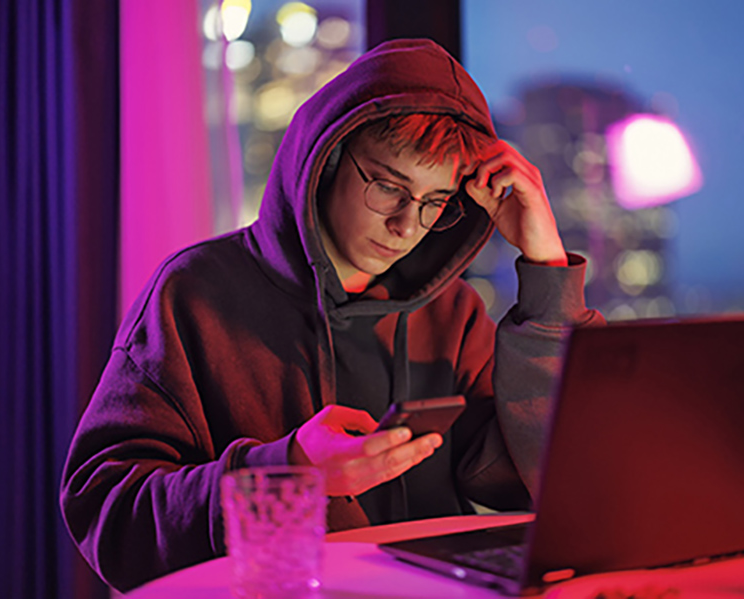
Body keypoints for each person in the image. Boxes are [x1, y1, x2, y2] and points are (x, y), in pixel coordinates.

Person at [60, 38, 604, 592]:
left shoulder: (454, 313)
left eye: (435, 202)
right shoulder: (194, 293)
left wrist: (546, 266)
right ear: (327, 160)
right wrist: (287, 473)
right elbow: (106, 512)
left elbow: (558, 477)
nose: (406, 226)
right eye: (389, 187)